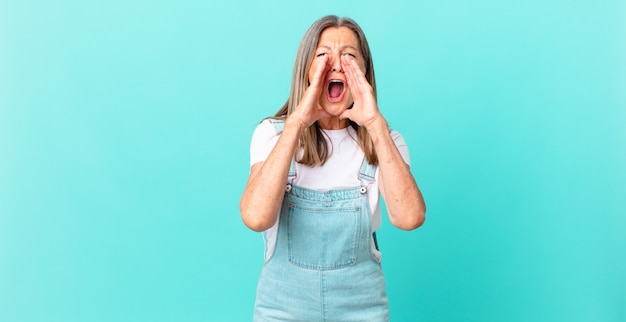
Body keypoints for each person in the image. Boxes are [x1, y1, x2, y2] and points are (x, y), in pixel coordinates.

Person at [240, 15, 426, 321]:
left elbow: (409, 218)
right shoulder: (272, 134)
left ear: (365, 73)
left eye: (350, 56)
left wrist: (375, 125)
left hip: (362, 310)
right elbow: (256, 217)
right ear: (306, 70)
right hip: (282, 310)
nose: (336, 65)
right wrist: (298, 122)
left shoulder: (386, 141)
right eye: (323, 55)